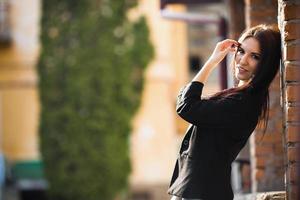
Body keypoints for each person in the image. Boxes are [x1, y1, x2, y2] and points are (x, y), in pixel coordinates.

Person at [168, 24, 281, 200]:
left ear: (266, 64)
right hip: (198, 191)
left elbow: (187, 107)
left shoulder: (242, 103)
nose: (243, 60)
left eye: (255, 56)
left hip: (203, 193)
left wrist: (212, 62)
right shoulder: (239, 98)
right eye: (241, 51)